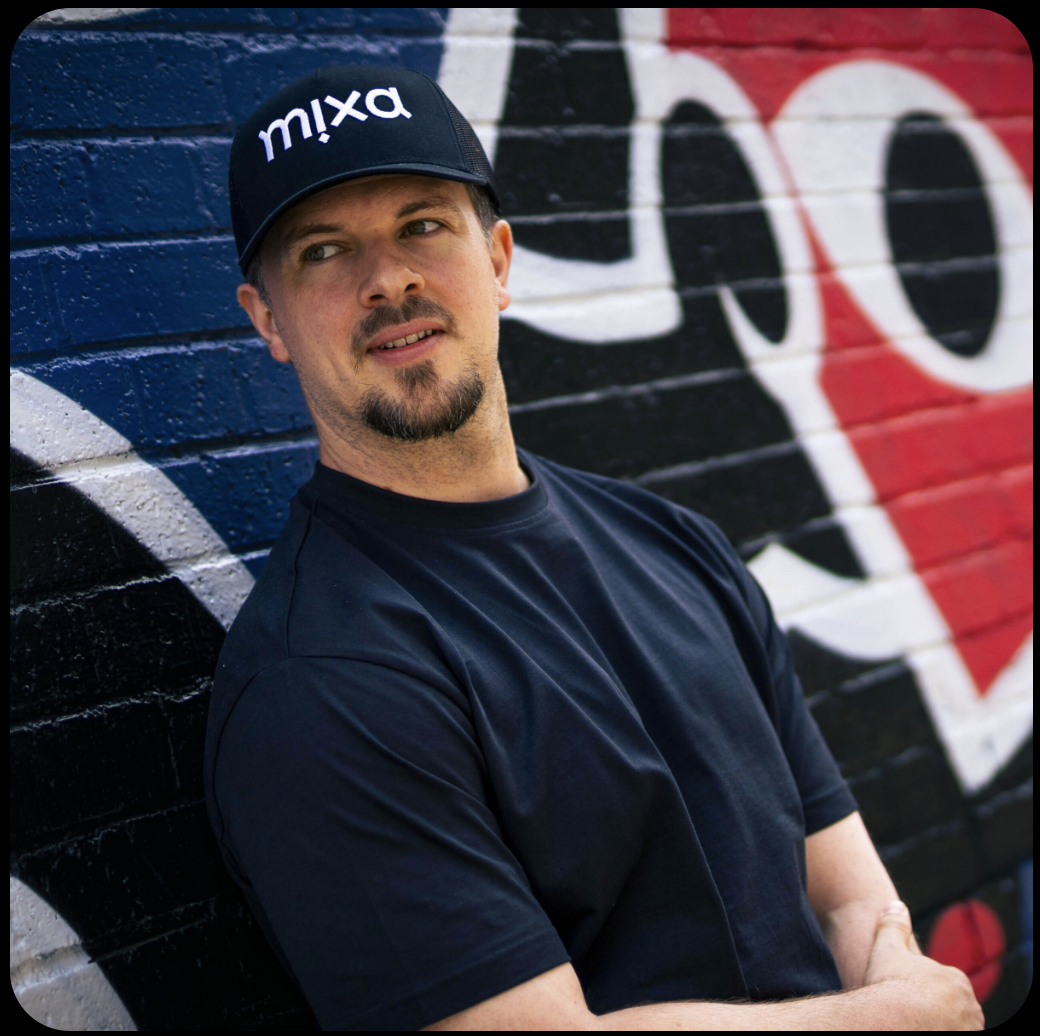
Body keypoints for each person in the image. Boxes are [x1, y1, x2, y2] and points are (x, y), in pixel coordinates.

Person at [204, 66, 983, 1031]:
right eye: (324, 251)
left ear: (496, 258)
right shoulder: (321, 681)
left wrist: (895, 979)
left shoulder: (677, 548)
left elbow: (849, 894)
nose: (390, 280)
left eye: (422, 225)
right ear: (267, 319)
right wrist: (893, 1020)